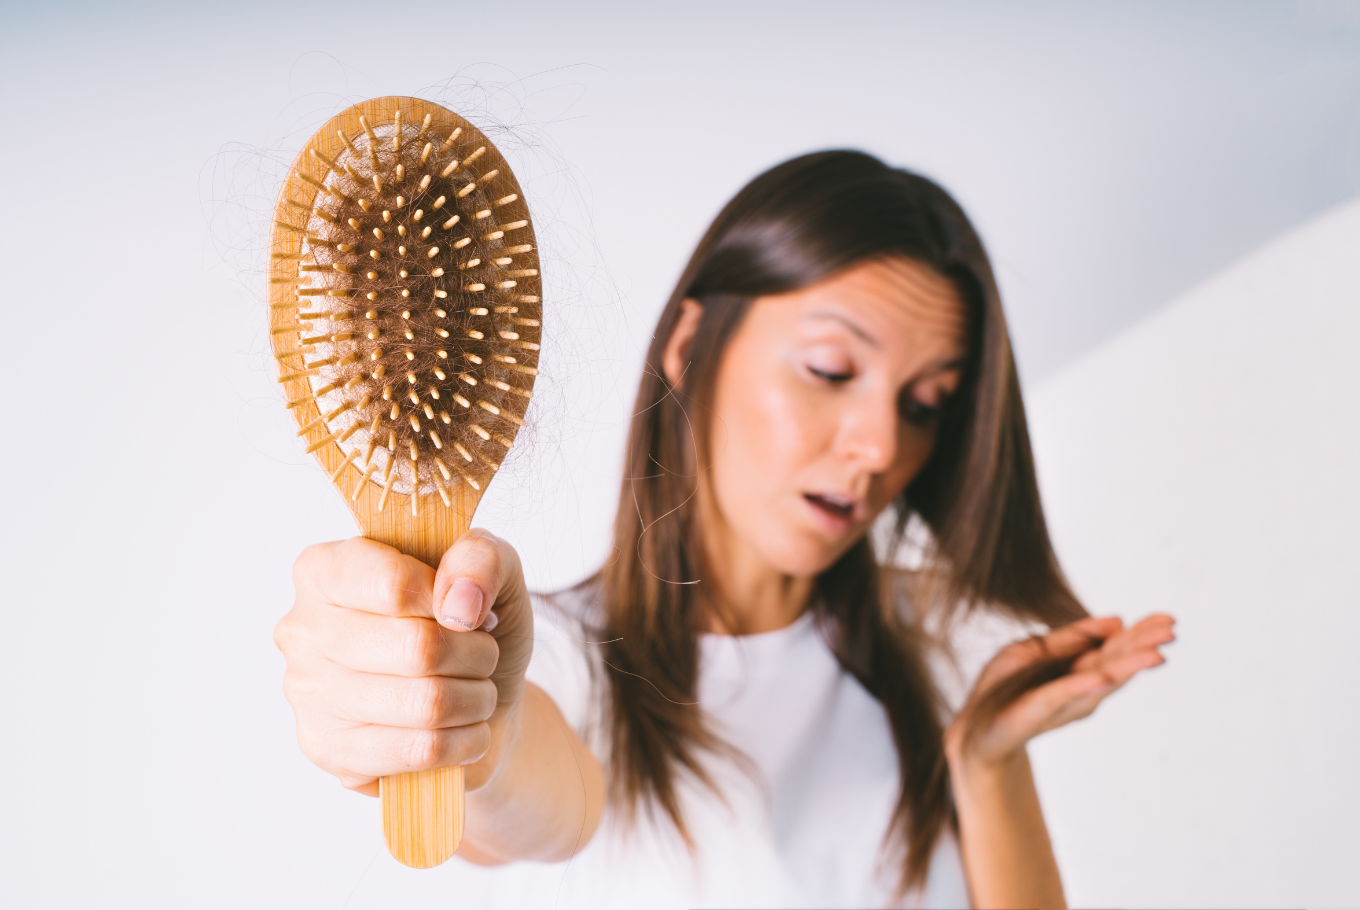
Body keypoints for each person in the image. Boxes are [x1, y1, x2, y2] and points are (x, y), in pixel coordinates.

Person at [274, 150, 1175, 909]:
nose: (879, 445)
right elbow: (530, 794)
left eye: (927, 403)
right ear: (690, 345)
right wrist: (480, 731)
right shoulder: (554, 657)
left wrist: (987, 762)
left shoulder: (942, 638)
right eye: (830, 369)